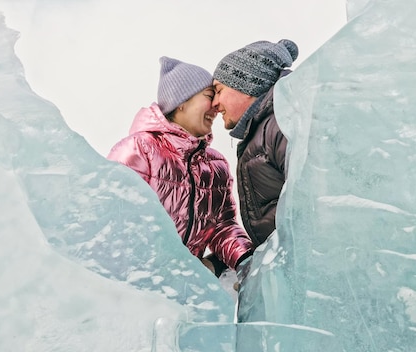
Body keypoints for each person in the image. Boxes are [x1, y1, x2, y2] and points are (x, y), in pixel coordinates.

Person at [108, 56, 253, 278]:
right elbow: (113, 220)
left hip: (187, 294)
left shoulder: (217, 165)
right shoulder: (138, 149)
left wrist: (246, 259)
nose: (216, 106)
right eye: (208, 96)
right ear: (181, 102)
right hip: (137, 289)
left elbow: (222, 227)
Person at [212, 39, 299, 252]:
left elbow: (311, 211)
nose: (214, 104)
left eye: (219, 90)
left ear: (247, 85)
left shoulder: (283, 125)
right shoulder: (263, 131)